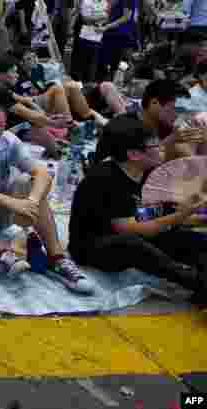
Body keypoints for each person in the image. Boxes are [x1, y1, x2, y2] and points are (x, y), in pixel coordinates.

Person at [0, 82, 93, 293]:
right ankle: (1, 253)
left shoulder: (8, 141)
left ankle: (57, 258)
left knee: (31, 182)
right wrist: (13, 202)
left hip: (0, 216)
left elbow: (42, 173)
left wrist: (30, 202)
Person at [69, 115, 207, 303]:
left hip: (133, 222)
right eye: (155, 145)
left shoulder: (142, 167)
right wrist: (182, 214)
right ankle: (197, 283)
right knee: (135, 245)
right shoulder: (104, 179)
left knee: (193, 239)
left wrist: (194, 217)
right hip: (96, 245)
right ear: (133, 154)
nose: (161, 148)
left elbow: (148, 215)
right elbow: (134, 228)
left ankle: (200, 284)